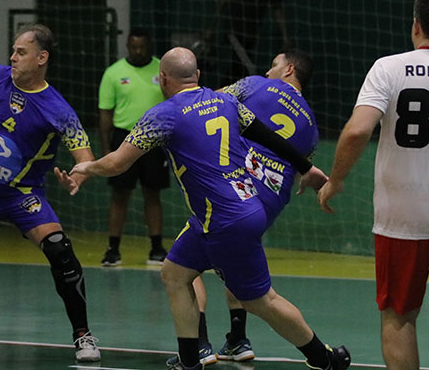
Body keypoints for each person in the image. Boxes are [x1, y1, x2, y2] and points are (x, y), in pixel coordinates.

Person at [65, 47, 349, 370]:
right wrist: (305, 166)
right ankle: (193, 360)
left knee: (262, 301)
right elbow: (264, 133)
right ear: (197, 75)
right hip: (236, 209)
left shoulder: (165, 114)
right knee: (174, 274)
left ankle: (324, 359)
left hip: (225, 220)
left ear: (162, 78)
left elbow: (117, 163)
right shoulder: (226, 103)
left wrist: (86, 167)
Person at [0, 24, 99, 362]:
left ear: (41, 58)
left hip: (22, 195)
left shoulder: (57, 109)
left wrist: (78, 177)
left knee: (60, 250)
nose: (12, 57)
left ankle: (83, 335)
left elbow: (85, 158)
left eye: (21, 52)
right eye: (13, 51)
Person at [172, 48, 319, 365]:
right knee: (234, 262)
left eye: (274, 64)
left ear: (289, 70)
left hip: (231, 187)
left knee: (184, 267)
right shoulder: (311, 125)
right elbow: (300, 170)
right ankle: (237, 340)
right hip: (268, 203)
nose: (268, 71)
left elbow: (209, 105)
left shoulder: (255, 84)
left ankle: (199, 347)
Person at [318, 0, 429, 370]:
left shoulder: (389, 68)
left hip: (403, 217)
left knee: (399, 318)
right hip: (404, 218)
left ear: (415, 25)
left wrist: (336, 179)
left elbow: (356, 131)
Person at [98, 27, 169, 266]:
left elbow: (174, 104)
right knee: (119, 195)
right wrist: (107, 148)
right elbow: (105, 112)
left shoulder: (162, 70)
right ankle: (113, 249)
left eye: (142, 47)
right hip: (123, 139)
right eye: (134, 47)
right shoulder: (113, 73)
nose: (138, 51)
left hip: (155, 140)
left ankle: (157, 248)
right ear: (128, 46)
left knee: (153, 194)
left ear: (149, 46)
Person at [207, 0, 290, 87]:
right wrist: (211, 28)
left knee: (240, 73)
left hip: (252, 35)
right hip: (232, 33)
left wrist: (285, 37)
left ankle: (225, 96)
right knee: (243, 69)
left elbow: (277, 10)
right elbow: (224, 0)